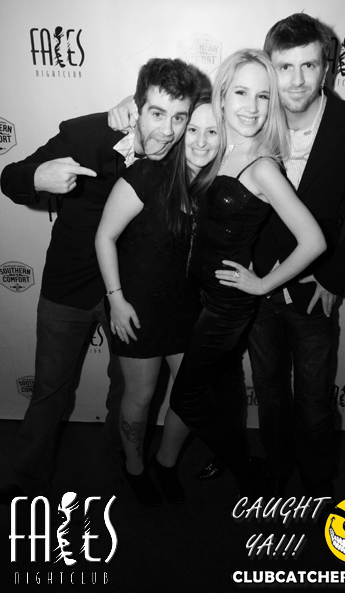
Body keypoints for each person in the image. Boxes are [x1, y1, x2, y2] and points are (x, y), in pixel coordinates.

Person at [0, 58, 202, 502]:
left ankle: (119, 466)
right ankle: (27, 478)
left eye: (179, 117)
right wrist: (37, 175)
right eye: (156, 113)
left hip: (134, 294)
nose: (168, 130)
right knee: (49, 389)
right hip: (70, 285)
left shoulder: (186, 147)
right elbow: (10, 177)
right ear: (137, 105)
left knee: (127, 390)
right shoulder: (86, 134)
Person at [168, 48, 326, 497]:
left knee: (185, 398)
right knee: (221, 387)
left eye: (263, 95)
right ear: (221, 95)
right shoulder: (219, 145)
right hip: (198, 292)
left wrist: (262, 284)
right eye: (241, 92)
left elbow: (314, 241)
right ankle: (238, 458)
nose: (252, 107)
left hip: (227, 306)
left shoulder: (263, 166)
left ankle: (247, 470)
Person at [245, 13, 345, 499]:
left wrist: (333, 277)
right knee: (268, 389)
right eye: (284, 67)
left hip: (313, 287)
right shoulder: (249, 118)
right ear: (269, 67)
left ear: (327, 67)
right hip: (257, 284)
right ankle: (277, 464)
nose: (296, 80)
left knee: (312, 397)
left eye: (309, 65)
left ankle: (317, 479)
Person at [95, 97, 220, 505]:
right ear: (180, 133)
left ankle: (166, 463)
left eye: (212, 131)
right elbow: (105, 236)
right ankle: (134, 468)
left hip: (188, 309)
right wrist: (116, 301)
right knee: (141, 395)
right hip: (137, 307)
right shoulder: (148, 174)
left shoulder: (214, 188)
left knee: (190, 393)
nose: (200, 141)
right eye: (193, 129)